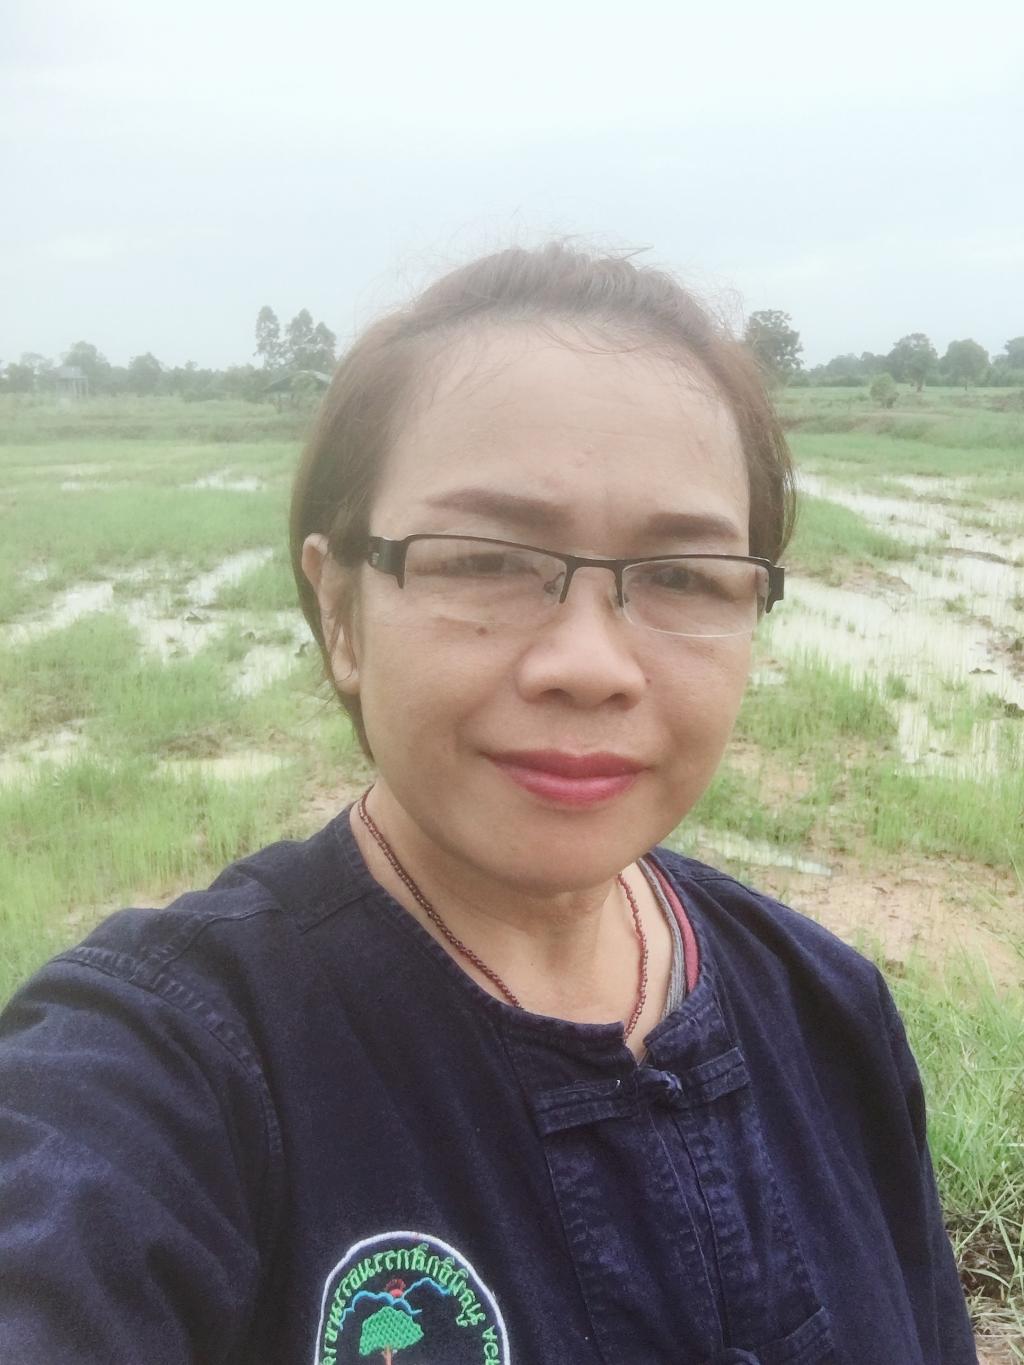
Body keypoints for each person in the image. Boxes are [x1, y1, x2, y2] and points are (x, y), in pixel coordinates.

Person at [0, 242, 975, 1364]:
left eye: (682, 575)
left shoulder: (830, 1012)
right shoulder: (174, 1070)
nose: (589, 665)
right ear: (340, 610)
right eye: (485, 560)